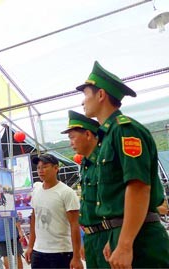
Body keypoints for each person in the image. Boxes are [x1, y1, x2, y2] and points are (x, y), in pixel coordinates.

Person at [76, 60, 169, 268]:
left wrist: (125, 244)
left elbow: (138, 186)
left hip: (141, 237)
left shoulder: (125, 130)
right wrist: (115, 238)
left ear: (101, 95)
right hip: (122, 232)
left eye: (86, 94)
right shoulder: (107, 137)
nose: (83, 102)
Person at [61, 110, 110, 268]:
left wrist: (115, 239)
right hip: (92, 237)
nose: (71, 143)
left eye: (72, 137)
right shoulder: (85, 165)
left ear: (88, 134)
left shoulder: (106, 160)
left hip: (107, 235)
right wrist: (85, 241)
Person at [25, 154, 83, 269]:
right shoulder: (36, 191)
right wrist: (30, 246)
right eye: (38, 167)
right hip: (38, 251)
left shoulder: (66, 192)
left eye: (45, 167)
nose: (41, 170)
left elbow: (74, 225)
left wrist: (76, 257)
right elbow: (34, 219)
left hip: (61, 252)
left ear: (56, 168)